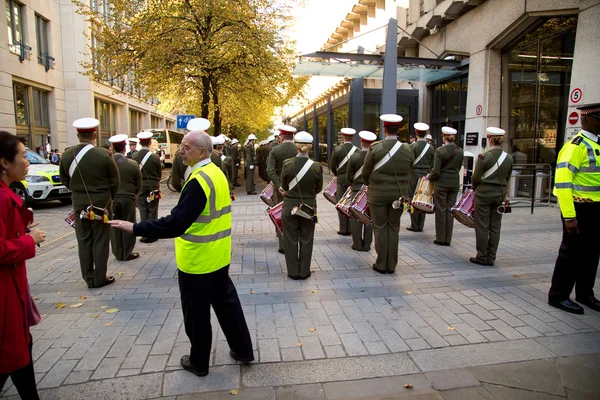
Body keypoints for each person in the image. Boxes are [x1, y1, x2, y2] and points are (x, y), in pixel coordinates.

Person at [109, 130, 254, 376]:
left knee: (196, 315)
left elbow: (176, 223)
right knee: (228, 305)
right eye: (182, 146)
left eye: (187, 147)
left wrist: (136, 227)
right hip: (218, 256)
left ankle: (198, 363)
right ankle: (243, 350)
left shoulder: (198, 180)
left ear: (202, 152)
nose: (181, 151)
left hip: (197, 261)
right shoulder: (215, 173)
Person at [0, 132, 45, 400]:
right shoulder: (2, 198)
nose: (28, 162)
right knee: (14, 352)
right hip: (5, 292)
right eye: (23, 157)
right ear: (5, 162)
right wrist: (28, 240)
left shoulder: (7, 194)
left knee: (19, 351)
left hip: (12, 288)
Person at [548, 103, 600, 314]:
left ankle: (585, 293)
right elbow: (562, 184)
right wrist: (569, 216)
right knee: (571, 255)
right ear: (586, 120)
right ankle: (558, 296)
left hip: (595, 209)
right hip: (579, 209)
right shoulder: (575, 146)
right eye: (599, 118)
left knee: (591, 254)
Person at [59, 118, 119, 288]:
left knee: (84, 240)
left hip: (79, 203)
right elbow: (115, 181)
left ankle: (88, 277)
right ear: (94, 134)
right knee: (100, 239)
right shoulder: (103, 154)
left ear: (78, 135)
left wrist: (78, 191)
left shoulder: (67, 155)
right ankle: (100, 277)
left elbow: (65, 179)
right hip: (102, 203)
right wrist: (109, 197)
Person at [362, 114, 414, 274]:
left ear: (384, 129)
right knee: (393, 228)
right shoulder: (407, 149)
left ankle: (381, 263)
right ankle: (391, 264)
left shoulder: (375, 148)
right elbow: (409, 169)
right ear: (398, 130)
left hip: (377, 195)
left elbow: (365, 173)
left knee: (380, 227)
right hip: (399, 196)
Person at [279, 131, 323, 279]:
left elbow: (284, 185)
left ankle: (292, 272)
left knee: (290, 239)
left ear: (296, 146)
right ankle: (304, 271)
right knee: (307, 239)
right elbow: (318, 188)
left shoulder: (287, 164)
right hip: (309, 207)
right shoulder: (316, 167)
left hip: (289, 205)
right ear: (309, 147)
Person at [470, 127, 513, 266]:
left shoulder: (484, 157)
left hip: (483, 195)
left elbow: (476, 177)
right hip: (499, 196)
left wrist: (474, 188)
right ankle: (491, 257)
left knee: (482, 226)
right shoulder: (509, 158)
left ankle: (482, 256)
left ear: (489, 139)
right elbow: (508, 177)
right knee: (495, 227)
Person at [428, 126, 463, 246]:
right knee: (450, 210)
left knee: (441, 210)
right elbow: (458, 168)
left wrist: (429, 177)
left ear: (444, 136)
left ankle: (441, 237)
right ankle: (448, 238)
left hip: (441, 183)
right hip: (454, 183)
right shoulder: (460, 150)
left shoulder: (440, 151)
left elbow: (436, 171)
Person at [109, 134, 142, 261]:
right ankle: (127, 252)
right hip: (128, 197)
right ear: (124, 148)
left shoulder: (107, 162)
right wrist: (133, 194)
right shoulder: (132, 164)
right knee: (128, 223)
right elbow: (138, 184)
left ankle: (118, 252)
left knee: (115, 225)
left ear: (113, 147)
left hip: (112, 198)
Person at [267, 125, 297, 254]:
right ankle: (294, 241)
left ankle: (283, 244)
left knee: (280, 214)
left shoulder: (275, 150)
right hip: (296, 186)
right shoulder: (298, 149)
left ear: (282, 136)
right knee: (295, 213)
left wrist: (278, 185)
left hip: (280, 188)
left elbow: (270, 170)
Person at [346, 130, 376, 251]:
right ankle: (367, 244)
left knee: (356, 217)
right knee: (369, 216)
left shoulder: (355, 156)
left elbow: (349, 176)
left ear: (361, 142)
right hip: (371, 189)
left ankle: (357, 244)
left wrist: (351, 184)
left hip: (357, 189)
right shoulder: (375, 156)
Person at [133, 131, 162, 244]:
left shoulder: (134, 156)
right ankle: (153, 233)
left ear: (140, 143)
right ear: (150, 142)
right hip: (153, 185)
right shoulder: (155, 157)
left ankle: (144, 234)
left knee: (143, 209)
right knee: (153, 209)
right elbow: (159, 173)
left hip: (140, 185)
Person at [407, 122, 435, 233]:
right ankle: (421, 225)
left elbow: (409, 162)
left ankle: (414, 224)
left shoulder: (412, 146)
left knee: (413, 199)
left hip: (414, 175)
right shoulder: (431, 148)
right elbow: (433, 164)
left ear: (416, 133)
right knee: (423, 199)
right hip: (426, 175)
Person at [330, 128, 358, 236]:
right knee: (351, 202)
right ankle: (351, 228)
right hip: (353, 180)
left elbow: (332, 166)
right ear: (353, 137)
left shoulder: (337, 150)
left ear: (343, 136)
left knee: (341, 203)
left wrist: (337, 174)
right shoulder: (357, 150)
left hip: (341, 179)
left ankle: (343, 228)